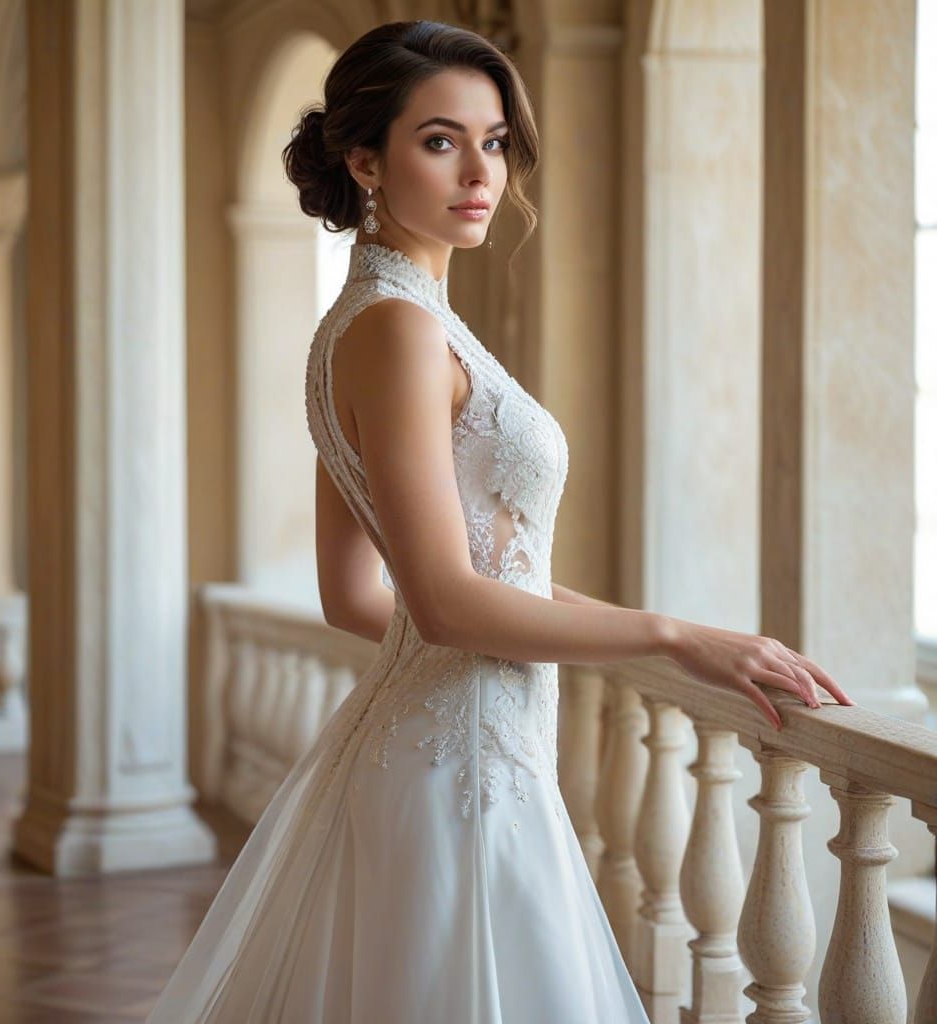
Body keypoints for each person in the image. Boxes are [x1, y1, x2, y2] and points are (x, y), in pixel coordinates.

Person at [145, 19, 855, 1023]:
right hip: (460, 768)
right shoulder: (395, 329)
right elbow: (439, 601)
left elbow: (363, 596)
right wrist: (675, 633)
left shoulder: (367, 322)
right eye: (439, 140)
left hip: (436, 754)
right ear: (365, 160)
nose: (479, 171)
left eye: (493, 140)